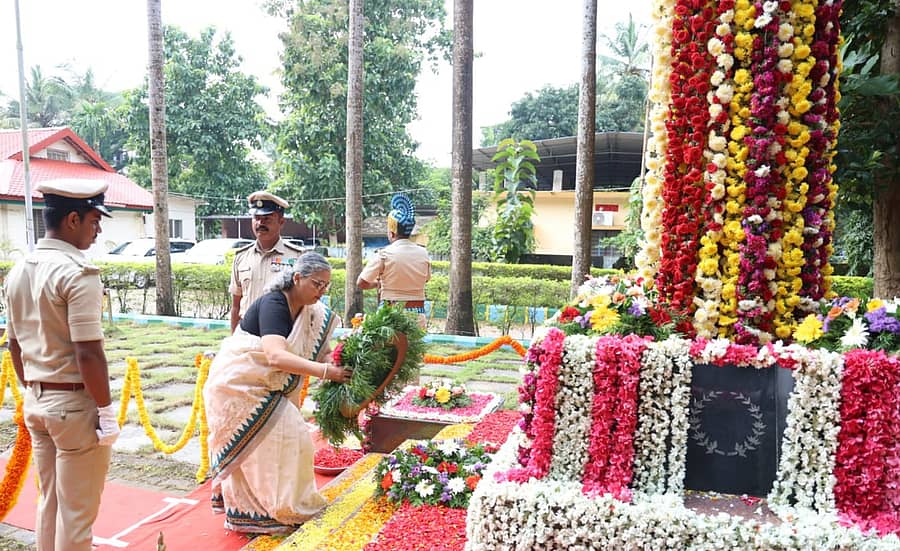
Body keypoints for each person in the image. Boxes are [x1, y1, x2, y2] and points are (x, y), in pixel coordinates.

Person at [4, 178, 120, 551]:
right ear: (72, 219)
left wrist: (32, 389)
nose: (98, 230)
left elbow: (14, 345)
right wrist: (105, 409)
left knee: (50, 502)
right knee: (76, 515)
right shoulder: (77, 272)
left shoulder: (19, 270)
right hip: (73, 407)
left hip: (38, 402)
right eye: (94, 220)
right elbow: (88, 353)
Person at [204, 252, 351, 534]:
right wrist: (325, 372)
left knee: (286, 441)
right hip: (239, 386)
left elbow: (321, 352)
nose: (321, 291)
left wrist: (341, 360)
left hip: (266, 387)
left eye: (325, 286)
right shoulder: (275, 304)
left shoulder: (310, 313)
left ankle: (273, 508)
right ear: (297, 278)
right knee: (288, 434)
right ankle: (261, 511)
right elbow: (274, 357)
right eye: (317, 284)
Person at [230, 191, 306, 332]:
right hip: (247, 334)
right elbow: (236, 305)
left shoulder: (298, 257)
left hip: (283, 333)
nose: (260, 223)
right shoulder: (241, 257)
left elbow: (306, 304)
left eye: (267, 219)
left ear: (281, 222)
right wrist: (233, 339)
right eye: (256, 218)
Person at [357, 193, 431, 328]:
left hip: (389, 316)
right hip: (417, 316)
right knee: (414, 349)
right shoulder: (423, 253)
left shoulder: (384, 254)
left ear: (391, 233)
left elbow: (361, 283)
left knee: (388, 349)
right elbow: (426, 279)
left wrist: (377, 284)